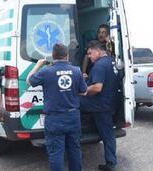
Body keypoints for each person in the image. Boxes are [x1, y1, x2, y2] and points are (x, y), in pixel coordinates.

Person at [26, 43, 87, 171]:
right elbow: (84, 92)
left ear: (53, 56)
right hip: (73, 116)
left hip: (54, 118)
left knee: (56, 153)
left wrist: (38, 65)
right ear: (67, 55)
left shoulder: (46, 71)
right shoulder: (76, 71)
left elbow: (29, 80)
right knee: (75, 149)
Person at [80, 40, 119, 171]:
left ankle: (110, 163)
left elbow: (97, 88)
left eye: (90, 53)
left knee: (74, 102)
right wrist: (87, 79)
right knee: (108, 133)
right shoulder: (111, 61)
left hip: (100, 105)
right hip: (109, 102)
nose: (89, 57)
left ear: (97, 50)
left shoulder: (99, 66)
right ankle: (111, 162)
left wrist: (83, 92)